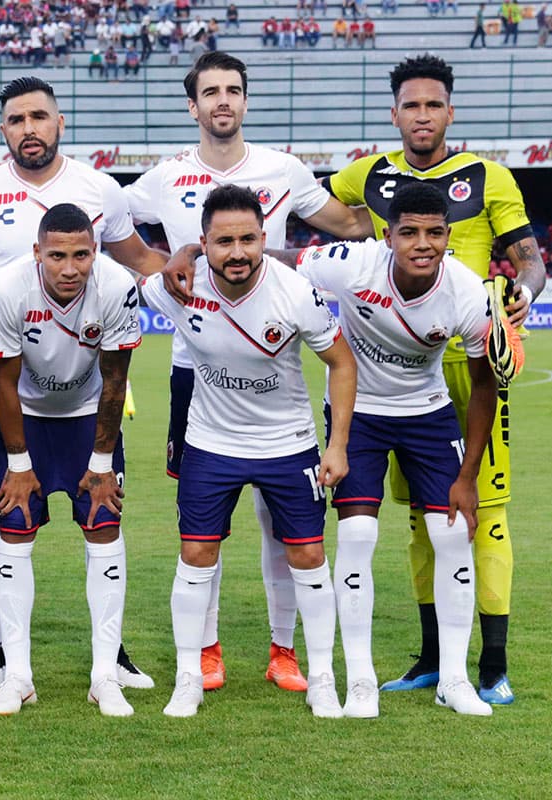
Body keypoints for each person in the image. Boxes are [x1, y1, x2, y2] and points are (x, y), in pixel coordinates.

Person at [125, 50, 370, 694]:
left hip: (275, 356)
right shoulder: (164, 176)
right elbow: (112, 229)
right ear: (193, 105)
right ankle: (204, 650)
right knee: (202, 526)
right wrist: (170, 254)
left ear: (245, 99)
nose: (223, 101)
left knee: (279, 523)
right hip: (194, 372)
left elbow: (347, 222)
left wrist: (395, 195)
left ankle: (284, 648)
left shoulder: (282, 169)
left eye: (233, 90)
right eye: (211, 92)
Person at [326, 54, 545, 704]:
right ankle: (430, 659)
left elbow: (527, 259)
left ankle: (492, 666)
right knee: (420, 522)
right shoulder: (366, 175)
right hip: (387, 367)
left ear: (450, 112)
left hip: (470, 354)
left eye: (434, 105)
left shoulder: (490, 176)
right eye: (411, 106)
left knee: (482, 512)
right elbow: (328, 226)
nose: (422, 117)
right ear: (394, 115)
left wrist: (523, 296)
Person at [0, 76, 166, 693]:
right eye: (16, 119)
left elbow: (139, 262)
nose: (29, 128)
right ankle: (3, 650)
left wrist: (187, 274)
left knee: (102, 511)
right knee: (1, 509)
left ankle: (110, 653)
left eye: (39, 116)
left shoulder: (98, 188)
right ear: (3, 128)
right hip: (2, 377)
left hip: (85, 378)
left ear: (59, 121)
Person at [265, 183, 498, 718]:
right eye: (409, 232)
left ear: (448, 237)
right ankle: (362, 679)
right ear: (387, 235)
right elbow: (283, 259)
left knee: (452, 536)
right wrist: (203, 253)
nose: (423, 243)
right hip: (359, 415)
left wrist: (467, 476)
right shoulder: (352, 263)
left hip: (429, 413)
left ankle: (455, 680)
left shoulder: (466, 293)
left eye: (435, 233)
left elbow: (484, 387)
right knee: (358, 535)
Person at [140, 185, 357, 719]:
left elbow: (343, 363)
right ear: (204, 245)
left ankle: (322, 679)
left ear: (264, 238)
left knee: (307, 555)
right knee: (196, 555)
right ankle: (189, 675)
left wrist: (337, 445)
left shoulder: (295, 293)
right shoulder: (175, 287)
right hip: (210, 444)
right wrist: (179, 257)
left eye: (247, 240)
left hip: (287, 445)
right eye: (222, 242)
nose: (236, 252)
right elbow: (121, 270)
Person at [0, 203, 142, 716]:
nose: (70, 268)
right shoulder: (7, 290)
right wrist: (19, 461)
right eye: (56, 256)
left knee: (103, 525)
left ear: (95, 252)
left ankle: (104, 675)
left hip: (86, 418)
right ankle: (18, 674)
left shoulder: (116, 287)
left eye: (81, 255)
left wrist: (100, 462)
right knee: (16, 528)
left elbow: (116, 380)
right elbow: (2, 382)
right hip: (23, 416)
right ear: (37, 254)